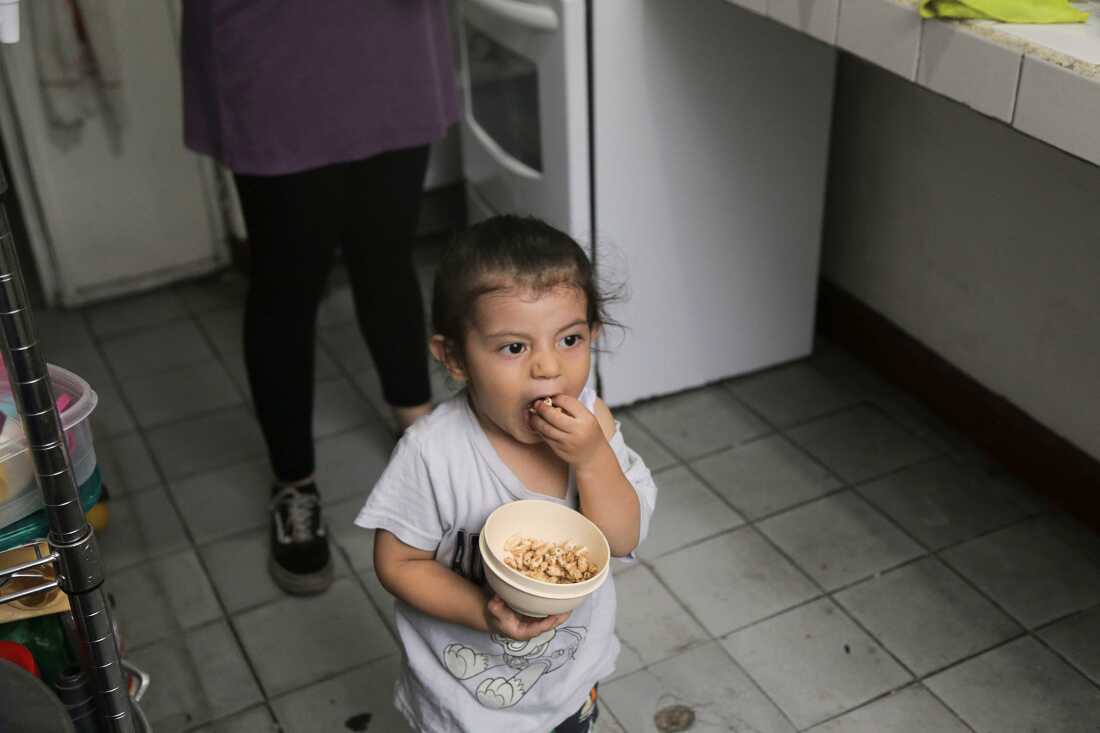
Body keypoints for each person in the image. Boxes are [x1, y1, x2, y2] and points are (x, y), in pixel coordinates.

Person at [180, 1, 459, 595]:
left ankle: (418, 426)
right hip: (274, 40)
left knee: (387, 254)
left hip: (393, 38)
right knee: (287, 279)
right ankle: (293, 481)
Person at [356, 216, 659, 733]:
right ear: (454, 357)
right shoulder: (434, 453)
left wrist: (592, 459)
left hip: (567, 683)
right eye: (515, 348)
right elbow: (399, 563)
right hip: (463, 705)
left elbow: (623, 537)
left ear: (595, 335)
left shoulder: (593, 424)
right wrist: (483, 611)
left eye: (569, 339)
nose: (548, 368)